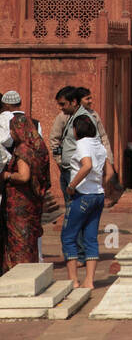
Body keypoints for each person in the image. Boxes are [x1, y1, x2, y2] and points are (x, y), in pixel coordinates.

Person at [60, 112, 107, 290]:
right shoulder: (99, 145)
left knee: (68, 236)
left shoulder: (82, 144)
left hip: (83, 195)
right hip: (97, 194)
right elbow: (108, 171)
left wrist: (72, 185)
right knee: (90, 238)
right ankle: (89, 280)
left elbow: (87, 165)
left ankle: (73, 280)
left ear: (76, 130)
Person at [0, 114, 51, 272]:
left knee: (19, 241)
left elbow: (24, 176)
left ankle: (20, 274)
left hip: (20, 204)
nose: (11, 133)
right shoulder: (38, 147)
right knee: (29, 240)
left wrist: (7, 175)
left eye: (12, 130)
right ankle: (30, 272)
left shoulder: (23, 149)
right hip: (31, 202)